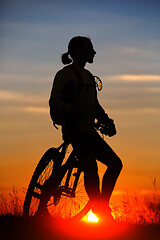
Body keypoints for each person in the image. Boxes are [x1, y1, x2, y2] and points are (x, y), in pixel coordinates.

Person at [49, 36, 123, 222]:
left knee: (116, 164)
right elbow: (55, 100)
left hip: (89, 131)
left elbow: (95, 106)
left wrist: (107, 121)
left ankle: (101, 206)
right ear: (80, 51)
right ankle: (101, 211)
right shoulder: (64, 74)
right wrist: (71, 110)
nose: (94, 52)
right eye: (91, 48)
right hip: (75, 129)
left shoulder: (89, 77)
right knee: (91, 168)